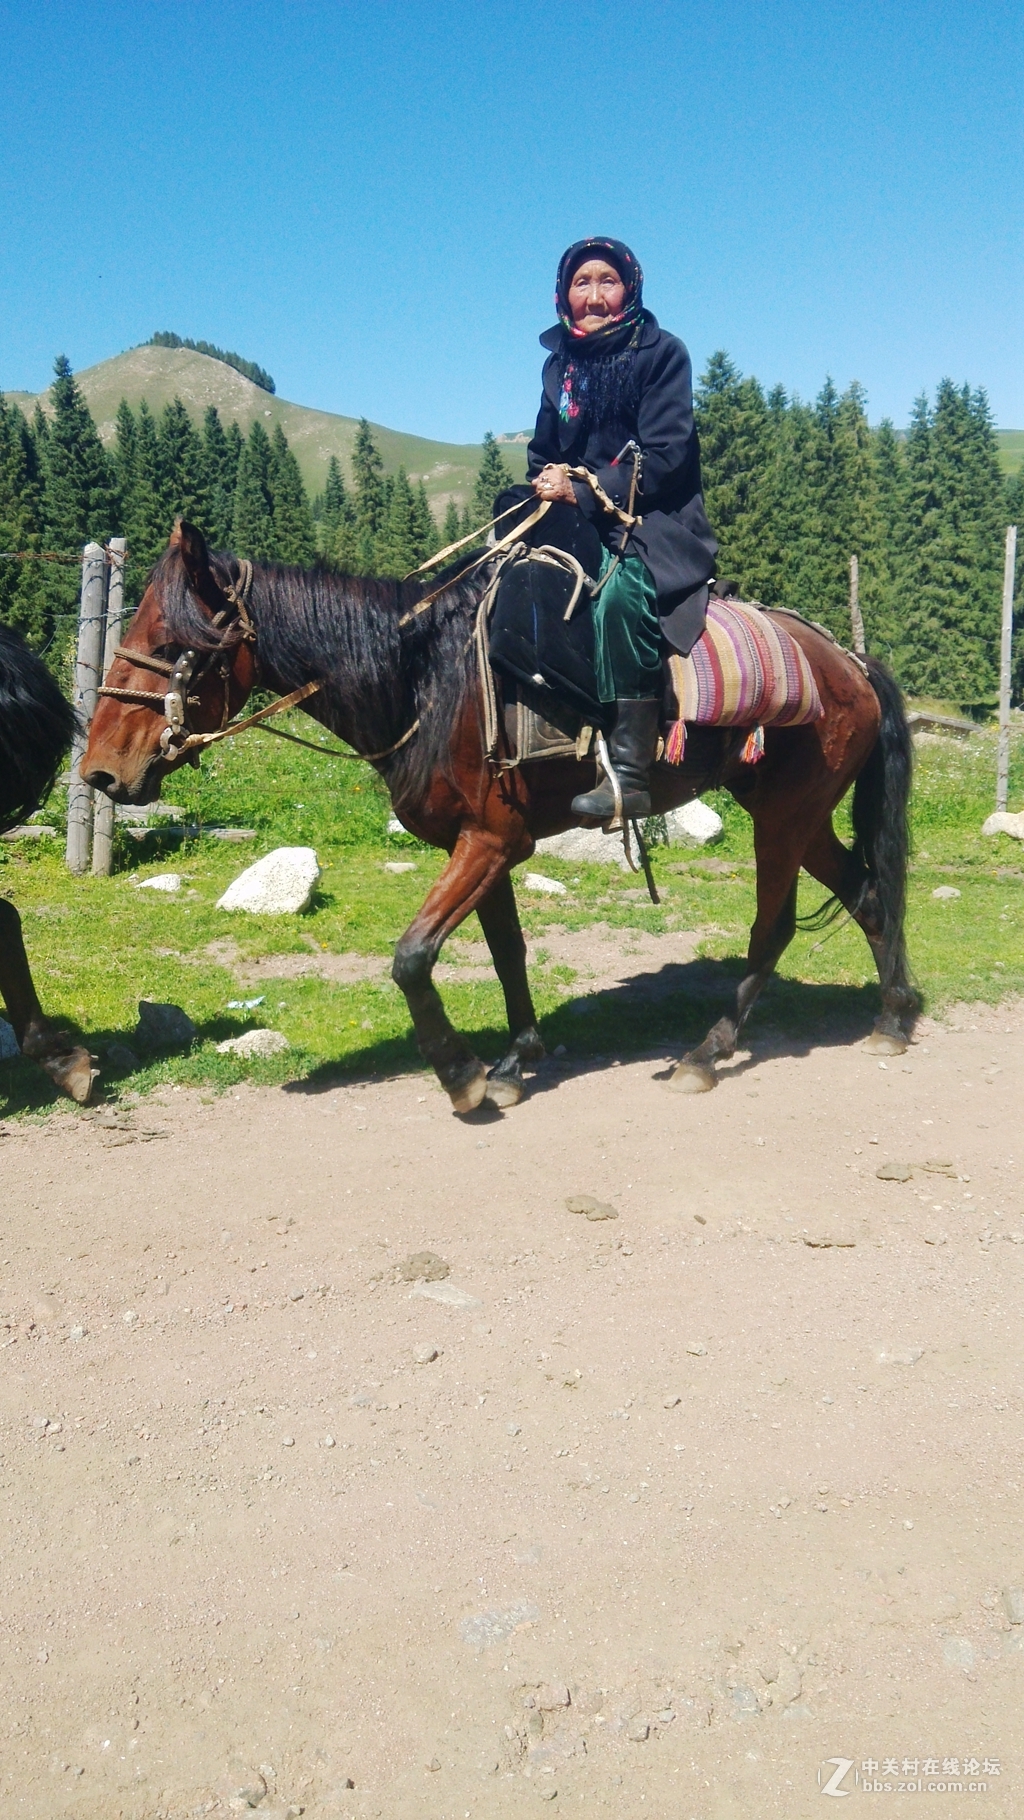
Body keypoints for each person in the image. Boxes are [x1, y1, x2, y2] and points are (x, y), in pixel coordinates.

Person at [527, 236, 717, 818]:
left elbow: (663, 456)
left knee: (617, 594)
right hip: (575, 511)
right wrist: (545, 480)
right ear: (563, 294)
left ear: (629, 288)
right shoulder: (559, 364)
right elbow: (542, 450)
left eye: (606, 281)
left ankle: (630, 774)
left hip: (652, 518)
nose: (594, 295)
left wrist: (584, 487)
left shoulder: (662, 354)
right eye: (580, 283)